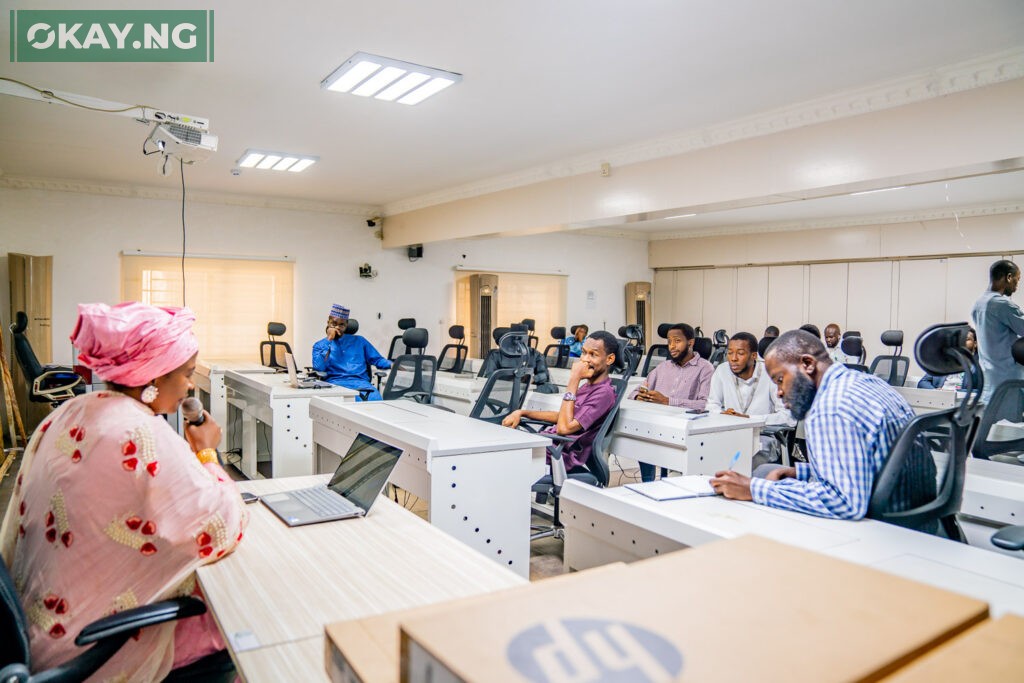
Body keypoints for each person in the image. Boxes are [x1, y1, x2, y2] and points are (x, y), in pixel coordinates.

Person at [0, 302, 247, 682]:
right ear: (152, 381)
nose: (191, 385)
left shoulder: (74, 409)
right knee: (231, 621)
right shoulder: (139, 431)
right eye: (185, 373)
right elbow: (219, 525)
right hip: (88, 645)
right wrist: (207, 452)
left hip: (40, 624)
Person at [710, 330, 936, 529]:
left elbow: (844, 502)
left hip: (882, 531)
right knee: (768, 473)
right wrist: (803, 472)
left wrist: (753, 488)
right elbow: (869, 463)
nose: (778, 392)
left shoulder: (829, 406)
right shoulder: (866, 382)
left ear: (807, 364)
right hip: (918, 519)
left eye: (780, 380)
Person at [502, 330, 618, 474]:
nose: (585, 359)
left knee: (499, 457)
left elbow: (564, 428)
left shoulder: (604, 393)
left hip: (560, 456)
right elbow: (562, 416)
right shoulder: (588, 386)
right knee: (498, 448)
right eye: (583, 352)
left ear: (609, 359)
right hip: (549, 446)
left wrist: (574, 379)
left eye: (593, 354)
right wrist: (522, 412)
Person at [630, 323, 714, 481]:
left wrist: (667, 401)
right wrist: (639, 396)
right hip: (657, 424)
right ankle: (647, 483)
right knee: (641, 440)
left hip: (684, 427)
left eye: (677, 341)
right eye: (669, 342)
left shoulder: (705, 368)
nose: (672, 346)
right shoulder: (663, 367)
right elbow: (635, 391)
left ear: (690, 343)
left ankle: (667, 482)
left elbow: (704, 404)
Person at [707, 332, 795, 466]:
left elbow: (789, 417)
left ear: (753, 356)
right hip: (729, 433)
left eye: (740, 353)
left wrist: (750, 420)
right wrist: (722, 415)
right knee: (704, 451)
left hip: (763, 435)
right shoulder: (722, 371)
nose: (733, 358)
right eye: (730, 353)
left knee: (739, 459)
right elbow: (712, 405)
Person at [312, 304, 392, 401]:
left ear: (346, 326)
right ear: (328, 323)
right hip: (336, 385)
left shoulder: (360, 341)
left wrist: (394, 365)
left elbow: (377, 359)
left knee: (376, 400)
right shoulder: (320, 345)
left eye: (341, 324)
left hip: (361, 384)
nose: (337, 327)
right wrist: (329, 339)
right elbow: (319, 367)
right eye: (334, 323)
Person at [972, 260, 1024, 406]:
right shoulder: (1002, 305)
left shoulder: (978, 304)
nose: (1016, 286)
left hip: (990, 380)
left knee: (992, 425)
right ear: (1008, 277)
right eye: (1017, 279)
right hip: (1009, 381)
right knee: (1009, 427)